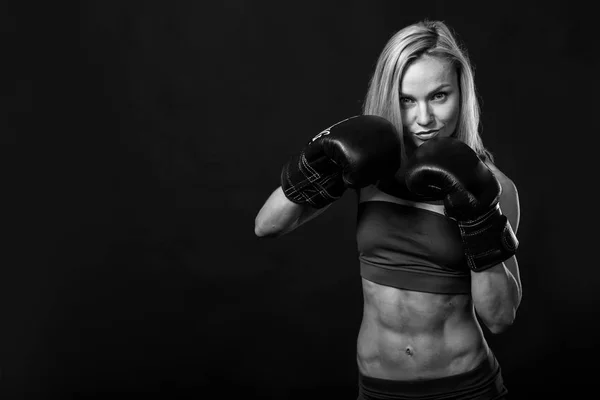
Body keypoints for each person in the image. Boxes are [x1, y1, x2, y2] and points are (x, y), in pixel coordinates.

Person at [254, 19, 521, 400]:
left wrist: (478, 212)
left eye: (439, 96)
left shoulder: (493, 186)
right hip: (377, 389)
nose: (424, 119)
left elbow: (499, 318)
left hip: (464, 388)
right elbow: (267, 225)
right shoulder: (369, 167)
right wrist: (320, 157)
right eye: (407, 100)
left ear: (463, 94)